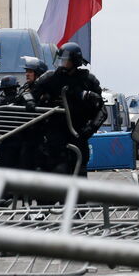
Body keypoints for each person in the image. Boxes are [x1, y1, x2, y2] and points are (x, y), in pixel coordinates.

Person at [32, 43, 104, 176]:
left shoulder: (88, 80)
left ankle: (78, 196)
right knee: (58, 168)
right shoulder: (51, 78)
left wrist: (90, 129)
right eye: (62, 59)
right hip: (55, 131)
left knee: (80, 170)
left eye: (66, 60)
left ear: (75, 61)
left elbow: (102, 110)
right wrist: (31, 102)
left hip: (79, 131)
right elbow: (30, 91)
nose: (62, 63)